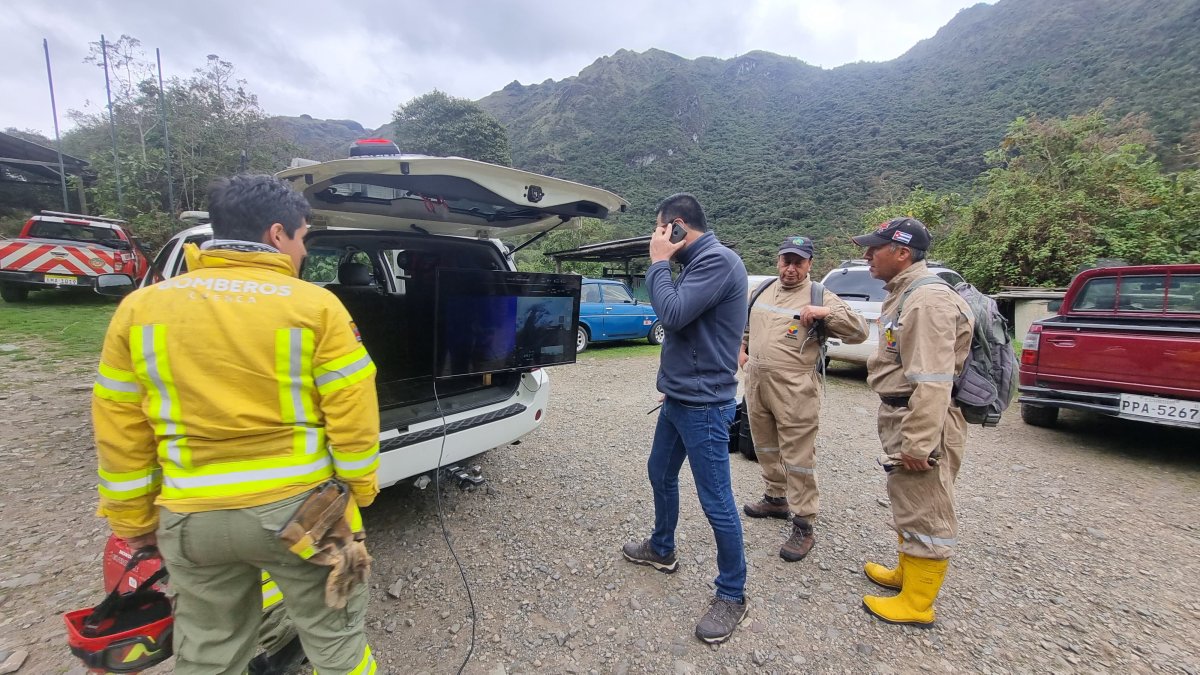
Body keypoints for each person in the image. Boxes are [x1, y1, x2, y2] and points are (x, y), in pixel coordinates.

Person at [91, 174, 381, 674]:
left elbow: (119, 428)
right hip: (302, 510)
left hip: (192, 517)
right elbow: (353, 412)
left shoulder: (140, 308)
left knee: (210, 650)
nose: (303, 253)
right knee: (337, 640)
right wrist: (359, 490)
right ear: (276, 234)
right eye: (302, 239)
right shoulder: (315, 305)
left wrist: (132, 520)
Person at [621, 193, 750, 644]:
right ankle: (662, 547)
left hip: (705, 406)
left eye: (660, 230)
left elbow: (672, 315)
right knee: (659, 472)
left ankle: (732, 593)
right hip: (679, 398)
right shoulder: (697, 263)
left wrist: (657, 262)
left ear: (675, 227)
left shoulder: (717, 260)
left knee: (716, 500)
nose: (657, 238)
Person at [850, 217, 973, 626]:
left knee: (927, 505)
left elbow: (934, 381)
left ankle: (918, 603)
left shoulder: (927, 302)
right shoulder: (908, 293)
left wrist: (920, 444)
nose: (867, 254)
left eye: (876, 248)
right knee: (909, 498)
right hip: (904, 412)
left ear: (902, 253)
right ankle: (907, 573)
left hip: (922, 419)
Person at [739, 235, 868, 561]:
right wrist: (742, 351)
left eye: (799, 262)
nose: (791, 268)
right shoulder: (763, 289)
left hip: (795, 388)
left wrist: (825, 313)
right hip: (757, 382)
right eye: (786, 260)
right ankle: (775, 497)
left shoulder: (819, 294)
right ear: (778, 260)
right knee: (765, 445)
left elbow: (860, 330)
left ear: (810, 264)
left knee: (798, 455)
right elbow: (748, 327)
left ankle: (804, 522)